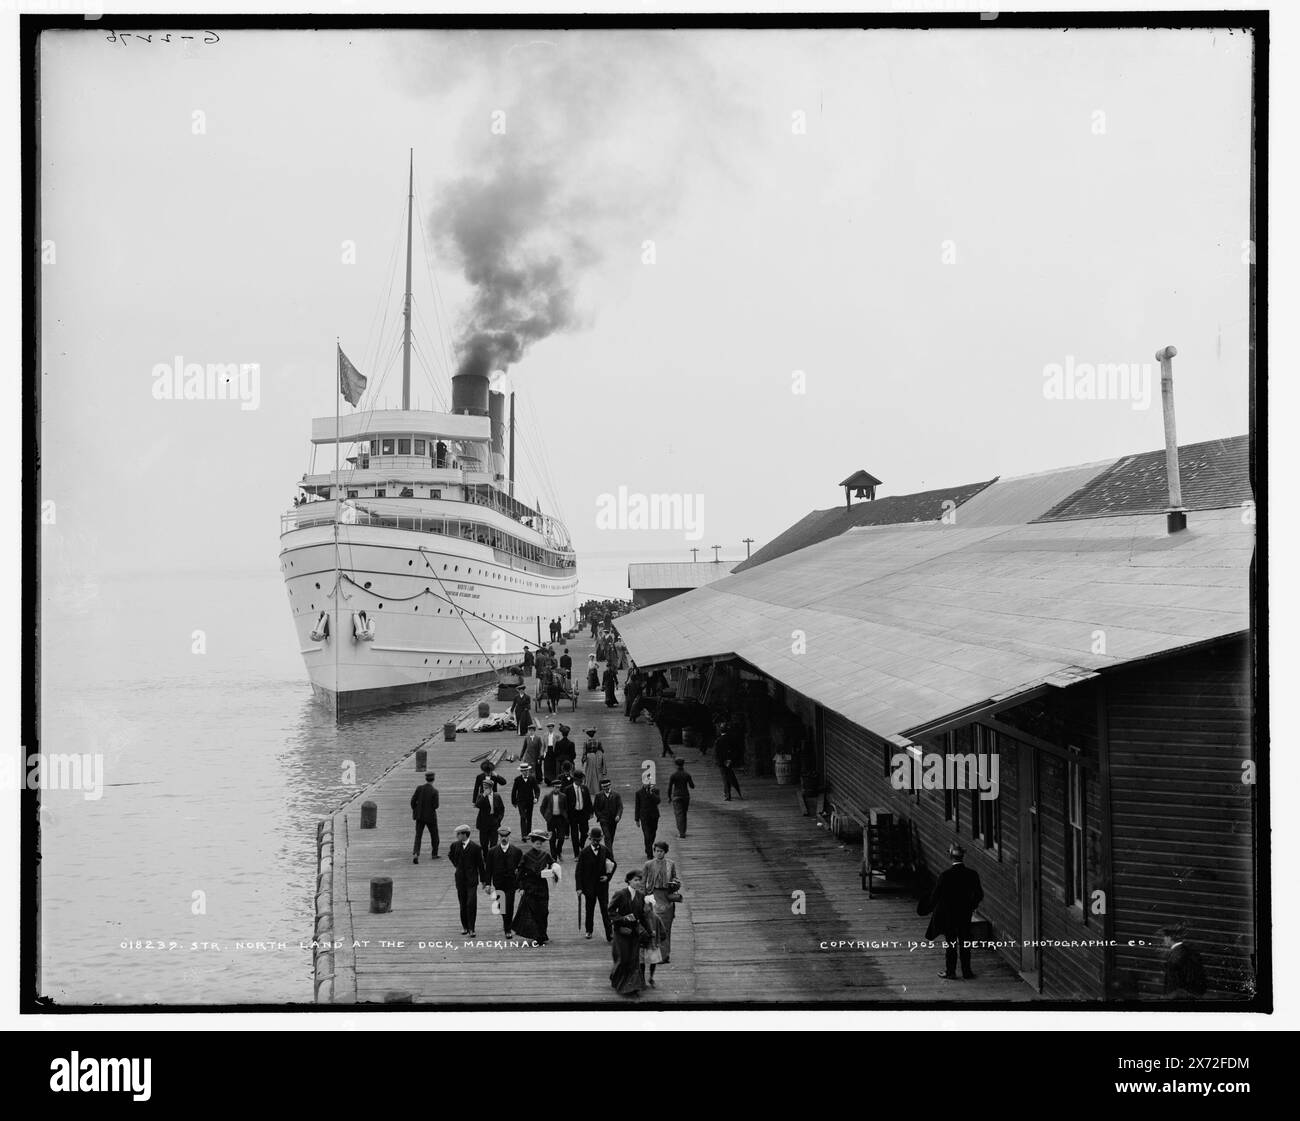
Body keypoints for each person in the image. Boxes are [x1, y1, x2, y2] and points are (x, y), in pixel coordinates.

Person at [922, 843, 984, 980]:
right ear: (963, 857)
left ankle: (951, 972)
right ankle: (967, 972)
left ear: (950, 857)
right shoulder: (972, 874)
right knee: (965, 944)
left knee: (951, 944)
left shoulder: (945, 875)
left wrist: (928, 909)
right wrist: (971, 906)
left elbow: (935, 896)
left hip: (948, 916)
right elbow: (979, 894)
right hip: (965, 915)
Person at [609, 870, 655, 996]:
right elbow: (610, 911)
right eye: (635, 880)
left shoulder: (641, 896)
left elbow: (643, 916)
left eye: (639, 880)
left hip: (634, 933)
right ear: (629, 881)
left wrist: (650, 931)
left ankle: (631, 987)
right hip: (621, 932)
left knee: (634, 960)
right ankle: (617, 979)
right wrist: (622, 919)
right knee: (623, 959)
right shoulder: (620, 894)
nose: (638, 882)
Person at [642, 841, 681, 984]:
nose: (659, 853)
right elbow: (643, 882)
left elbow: (676, 879)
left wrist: (675, 884)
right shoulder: (648, 864)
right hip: (653, 897)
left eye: (661, 851)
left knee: (666, 927)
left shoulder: (671, 864)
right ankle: (655, 956)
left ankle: (665, 955)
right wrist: (643, 898)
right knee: (654, 927)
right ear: (654, 851)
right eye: (657, 851)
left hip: (666, 898)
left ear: (665, 852)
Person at [512, 831, 560, 946]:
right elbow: (520, 872)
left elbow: (553, 864)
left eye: (540, 844)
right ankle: (537, 935)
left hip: (542, 886)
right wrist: (521, 887)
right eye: (537, 843)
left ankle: (543, 934)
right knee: (533, 912)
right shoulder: (526, 856)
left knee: (544, 911)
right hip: (530, 886)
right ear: (532, 843)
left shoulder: (545, 854)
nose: (538, 845)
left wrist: (553, 871)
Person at [576, 826, 617, 941]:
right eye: (594, 840)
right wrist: (579, 888)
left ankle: (609, 933)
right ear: (590, 839)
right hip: (588, 886)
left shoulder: (605, 850)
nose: (596, 842)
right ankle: (589, 930)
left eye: (598, 840)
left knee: (605, 909)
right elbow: (578, 871)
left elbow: (614, 864)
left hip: (602, 886)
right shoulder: (584, 852)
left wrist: (608, 877)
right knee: (589, 909)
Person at [483, 827, 523, 937]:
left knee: (509, 905)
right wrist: (487, 884)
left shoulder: (516, 851)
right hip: (499, 883)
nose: (504, 838)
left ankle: (508, 929)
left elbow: (521, 870)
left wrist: (521, 885)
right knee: (502, 906)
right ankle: (507, 923)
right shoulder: (492, 851)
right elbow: (489, 869)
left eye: (506, 836)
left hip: (511, 883)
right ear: (499, 837)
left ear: (509, 837)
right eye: (502, 836)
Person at [448, 825, 484, 936]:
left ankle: (472, 928)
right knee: (462, 903)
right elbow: (451, 856)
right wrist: (457, 866)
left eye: (458, 834)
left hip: (472, 879)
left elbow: (480, 865)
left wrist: (484, 880)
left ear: (464, 834)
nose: (457, 836)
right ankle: (465, 927)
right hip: (460, 879)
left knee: (471, 903)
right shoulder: (454, 845)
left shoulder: (476, 847)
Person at [1159, 925, 1208, 998]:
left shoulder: (1176, 954)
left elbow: (1174, 981)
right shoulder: (1186, 951)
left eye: (1165, 937)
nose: (1164, 939)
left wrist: (1168, 997)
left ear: (1169, 938)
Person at [410, 772, 440, 864]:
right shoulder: (434, 791)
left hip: (420, 816)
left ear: (426, 779)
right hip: (431, 817)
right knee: (434, 835)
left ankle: (416, 853)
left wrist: (416, 809)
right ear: (433, 779)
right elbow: (436, 806)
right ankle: (434, 853)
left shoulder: (419, 788)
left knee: (418, 836)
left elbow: (412, 801)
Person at [540, 782, 571, 861]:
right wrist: (546, 816)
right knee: (552, 838)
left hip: (560, 818)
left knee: (561, 837)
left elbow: (566, 807)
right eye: (556, 787)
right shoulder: (547, 796)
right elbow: (542, 808)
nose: (557, 789)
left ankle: (559, 851)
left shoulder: (563, 796)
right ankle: (554, 856)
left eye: (559, 787)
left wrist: (565, 816)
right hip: (551, 819)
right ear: (553, 787)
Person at [666, 758, 695, 838]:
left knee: (679, 814)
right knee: (684, 814)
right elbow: (692, 786)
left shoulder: (673, 775)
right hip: (685, 796)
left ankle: (681, 832)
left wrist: (669, 797)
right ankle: (683, 831)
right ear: (683, 764)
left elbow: (669, 787)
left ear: (676, 765)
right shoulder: (687, 774)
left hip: (676, 796)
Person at [475, 782, 507, 853]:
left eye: (486, 787)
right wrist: (484, 795)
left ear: (491, 787)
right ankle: (485, 858)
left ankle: (492, 859)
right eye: (483, 787)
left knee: (494, 844)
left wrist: (499, 819)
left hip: (494, 822)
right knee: (483, 844)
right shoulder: (481, 796)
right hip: (483, 823)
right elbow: (477, 805)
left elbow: (502, 808)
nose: (484, 789)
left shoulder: (497, 796)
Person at [594, 779, 623, 854]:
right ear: (602, 787)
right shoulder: (598, 795)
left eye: (607, 786)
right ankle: (610, 854)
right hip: (603, 820)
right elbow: (596, 808)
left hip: (613, 819)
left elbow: (620, 807)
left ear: (610, 785)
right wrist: (600, 817)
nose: (606, 788)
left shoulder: (616, 795)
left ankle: (608, 849)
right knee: (607, 836)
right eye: (604, 787)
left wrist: (618, 815)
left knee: (611, 836)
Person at [511, 762, 541, 837]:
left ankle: (528, 833)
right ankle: (524, 835)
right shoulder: (517, 779)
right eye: (523, 771)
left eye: (526, 770)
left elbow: (537, 790)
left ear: (528, 770)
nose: (525, 772)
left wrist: (536, 798)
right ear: (521, 771)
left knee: (529, 817)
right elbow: (514, 791)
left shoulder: (532, 779)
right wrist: (513, 802)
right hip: (520, 801)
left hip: (530, 801)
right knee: (523, 817)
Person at [634, 777, 661, 859]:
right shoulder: (638, 793)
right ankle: (649, 854)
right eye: (646, 783)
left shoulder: (655, 791)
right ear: (643, 783)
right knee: (647, 835)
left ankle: (648, 847)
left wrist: (651, 793)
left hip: (654, 816)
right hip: (644, 817)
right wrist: (637, 819)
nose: (647, 784)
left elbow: (658, 801)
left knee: (653, 834)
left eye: (649, 783)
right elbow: (637, 806)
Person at [715, 723, 743, 801]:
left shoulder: (719, 740)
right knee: (730, 776)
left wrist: (720, 762)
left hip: (722, 762)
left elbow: (717, 753)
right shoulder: (731, 739)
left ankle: (727, 794)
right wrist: (730, 759)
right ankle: (728, 792)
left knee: (725, 778)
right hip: (729, 761)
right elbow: (736, 750)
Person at [568, 775, 594, 855]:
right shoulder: (568, 789)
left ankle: (581, 845)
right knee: (574, 834)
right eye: (580, 780)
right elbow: (565, 803)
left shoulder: (584, 788)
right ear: (575, 780)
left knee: (585, 831)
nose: (581, 782)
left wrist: (591, 812)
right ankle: (576, 853)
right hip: (573, 814)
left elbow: (588, 801)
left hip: (583, 813)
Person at [580, 729, 606, 796]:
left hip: (589, 757)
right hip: (595, 757)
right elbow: (602, 750)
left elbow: (584, 753)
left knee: (588, 773)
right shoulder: (598, 741)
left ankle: (588, 788)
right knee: (596, 773)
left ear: (588, 735)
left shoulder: (586, 742)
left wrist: (582, 760)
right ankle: (596, 789)